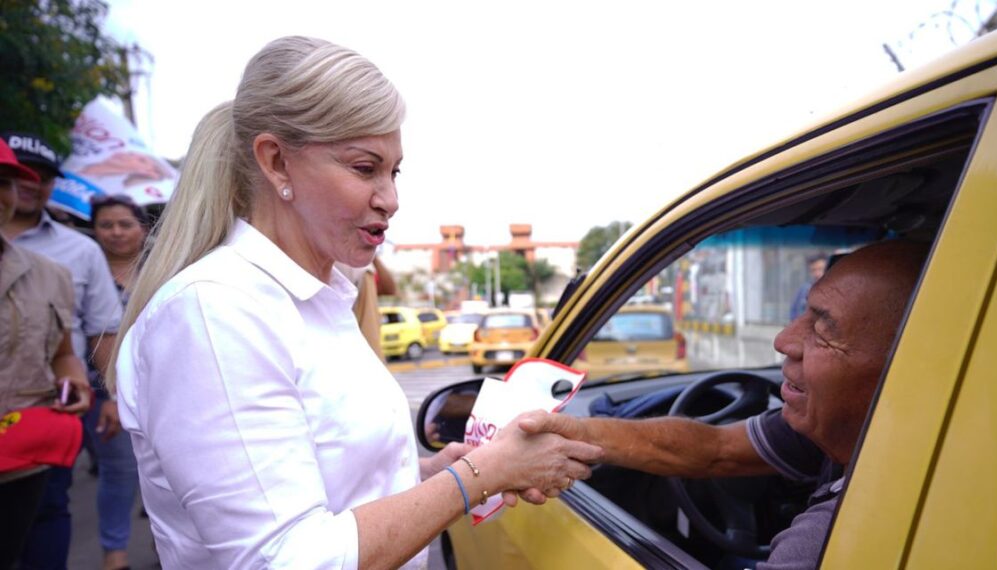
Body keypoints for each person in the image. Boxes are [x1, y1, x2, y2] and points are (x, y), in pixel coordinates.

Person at [106, 36, 602, 569]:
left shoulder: (318, 301)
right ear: (276, 163)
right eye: (365, 168)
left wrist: (429, 476)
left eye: (394, 172)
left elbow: (331, 486)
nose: (390, 199)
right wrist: (481, 475)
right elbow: (282, 558)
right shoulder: (214, 313)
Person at [523, 240, 930, 569]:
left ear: (904, 366)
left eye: (823, 330)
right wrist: (577, 433)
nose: (784, 341)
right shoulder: (843, 431)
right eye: (804, 313)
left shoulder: (828, 540)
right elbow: (715, 449)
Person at [1, 131, 123, 569]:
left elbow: (82, 341)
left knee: (46, 521)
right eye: (14, 177)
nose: (24, 185)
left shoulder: (58, 266)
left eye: (8, 181)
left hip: (34, 437)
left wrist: (93, 388)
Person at [88, 195, 149, 570]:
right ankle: (115, 554)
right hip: (105, 391)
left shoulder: (165, 267)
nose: (116, 232)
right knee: (119, 470)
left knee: (169, 470)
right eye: (106, 225)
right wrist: (111, 392)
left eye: (125, 224)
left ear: (143, 228)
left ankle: (167, 546)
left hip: (160, 387)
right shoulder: (84, 269)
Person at [788, 254, 828, 321]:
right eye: (813, 270)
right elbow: (794, 313)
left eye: (820, 269)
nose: (817, 274)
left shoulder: (835, 291)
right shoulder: (803, 290)